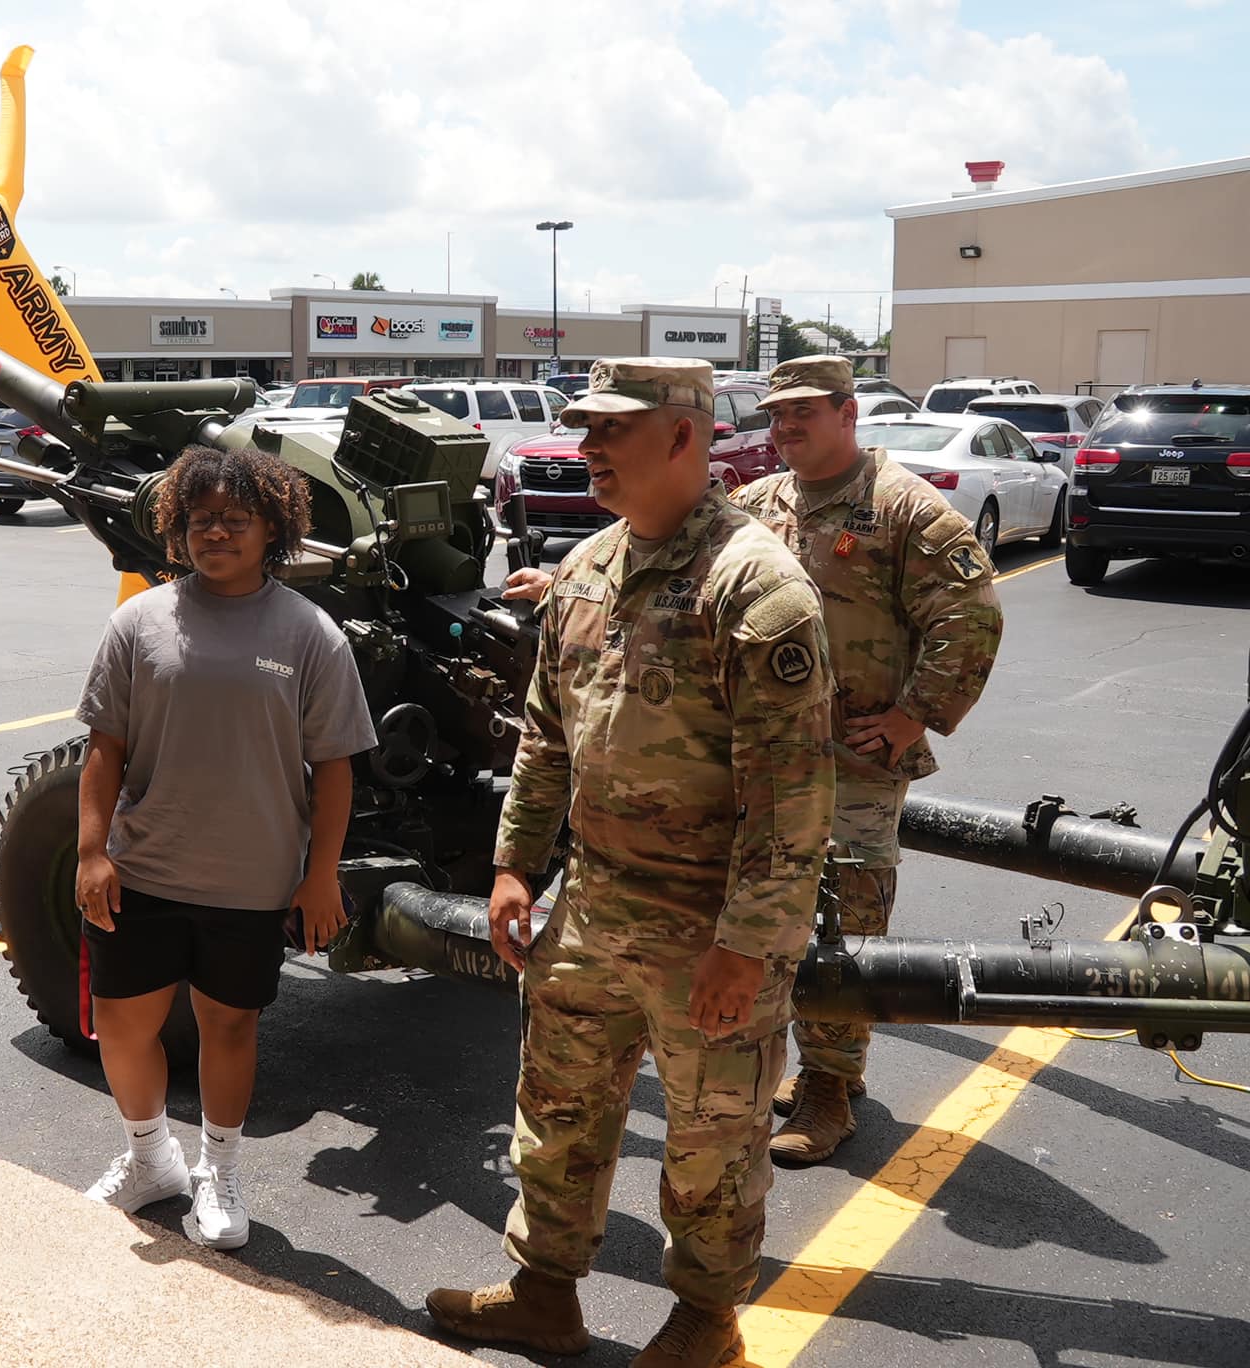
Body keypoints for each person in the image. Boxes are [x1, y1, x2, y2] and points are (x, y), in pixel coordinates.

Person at [428, 359, 835, 1368]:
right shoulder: (585, 571)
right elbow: (543, 737)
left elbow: (791, 804)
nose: (589, 448)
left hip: (710, 929)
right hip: (591, 906)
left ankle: (704, 1324)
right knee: (556, 1112)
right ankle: (542, 1295)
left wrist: (743, 947)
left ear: (684, 439)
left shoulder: (758, 589)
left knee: (710, 1144)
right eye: (583, 429)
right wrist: (515, 866)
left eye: (613, 429)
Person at [73, 443, 377, 1250]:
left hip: (251, 879)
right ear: (177, 527)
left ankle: (218, 1168)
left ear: (271, 528)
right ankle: (150, 1160)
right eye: (201, 518)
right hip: (145, 867)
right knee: (122, 1023)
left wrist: (321, 876)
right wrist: (90, 852)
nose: (217, 533)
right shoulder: (139, 621)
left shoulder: (311, 634)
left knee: (229, 1027)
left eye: (235, 519)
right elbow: (103, 747)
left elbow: (335, 767)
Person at [726, 354, 1003, 1164]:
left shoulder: (903, 507)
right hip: (765, 752)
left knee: (845, 916)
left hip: (853, 756)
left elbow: (972, 614)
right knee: (765, 909)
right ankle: (807, 1063)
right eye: (775, 417)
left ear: (848, 412)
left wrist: (914, 716)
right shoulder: (756, 502)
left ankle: (830, 1087)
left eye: (802, 413)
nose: (784, 429)